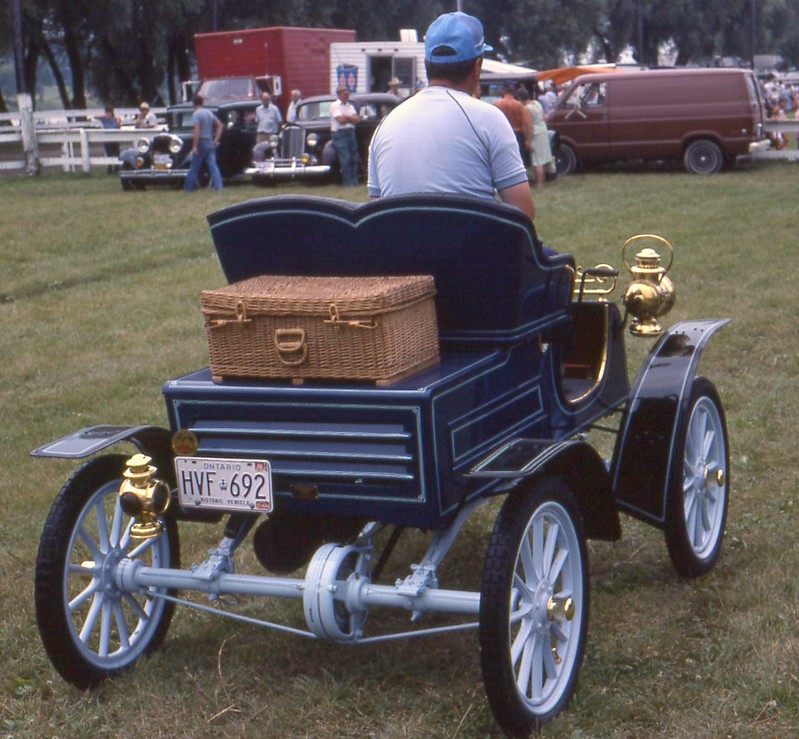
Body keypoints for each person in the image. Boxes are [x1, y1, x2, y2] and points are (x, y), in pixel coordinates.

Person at [367, 11, 535, 223]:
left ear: (427, 64)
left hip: (401, 254)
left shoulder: (385, 125)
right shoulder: (489, 119)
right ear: (477, 66)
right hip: (472, 253)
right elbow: (523, 213)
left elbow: (376, 213)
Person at [183, 94, 223, 192]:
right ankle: (219, 187)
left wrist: (195, 146)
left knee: (195, 167)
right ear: (202, 103)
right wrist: (216, 140)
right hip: (209, 141)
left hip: (201, 141)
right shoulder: (209, 113)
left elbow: (197, 131)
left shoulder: (196, 114)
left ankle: (188, 188)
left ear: (194, 104)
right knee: (213, 166)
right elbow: (220, 126)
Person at [518, 87, 554, 189]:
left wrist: (528, 141)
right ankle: (550, 176)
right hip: (543, 130)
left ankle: (539, 183)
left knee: (537, 160)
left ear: (520, 99)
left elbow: (529, 125)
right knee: (546, 157)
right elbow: (544, 117)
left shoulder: (526, 108)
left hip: (536, 133)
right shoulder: (537, 103)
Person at [330, 84, 360, 186]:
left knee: (354, 158)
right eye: (344, 94)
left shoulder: (350, 106)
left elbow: (357, 119)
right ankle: (348, 183)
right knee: (345, 158)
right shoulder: (334, 105)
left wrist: (347, 118)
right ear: (339, 95)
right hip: (340, 134)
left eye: (347, 94)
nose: (346, 96)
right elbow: (341, 120)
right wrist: (350, 118)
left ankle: (354, 181)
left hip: (350, 133)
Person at [494, 83, 531, 166]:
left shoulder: (497, 104)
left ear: (503, 91)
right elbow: (525, 123)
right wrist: (527, 140)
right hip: (517, 134)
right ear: (513, 92)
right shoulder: (519, 105)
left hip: (502, 134)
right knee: (517, 158)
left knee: (504, 158)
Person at [98, 106, 121, 173]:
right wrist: (104, 116)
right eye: (107, 112)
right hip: (107, 139)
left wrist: (118, 122)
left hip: (115, 138)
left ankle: (117, 168)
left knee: (116, 153)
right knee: (109, 154)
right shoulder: (104, 119)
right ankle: (110, 169)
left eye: (109, 112)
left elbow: (118, 127)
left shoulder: (115, 119)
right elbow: (95, 117)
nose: (108, 114)